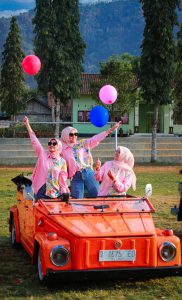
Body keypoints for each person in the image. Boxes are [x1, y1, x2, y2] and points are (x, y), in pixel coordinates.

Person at [60, 121, 121, 198]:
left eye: (76, 134)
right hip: (76, 176)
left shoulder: (82, 143)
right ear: (65, 135)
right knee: (77, 200)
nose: (74, 136)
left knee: (97, 195)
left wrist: (110, 130)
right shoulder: (62, 149)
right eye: (71, 134)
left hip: (88, 172)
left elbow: (95, 139)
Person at [23, 116, 69, 200]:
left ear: (58, 146)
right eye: (49, 143)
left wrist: (64, 191)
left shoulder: (62, 161)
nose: (51, 145)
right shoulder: (42, 154)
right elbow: (34, 140)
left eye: (54, 143)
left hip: (55, 192)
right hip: (41, 189)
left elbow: (62, 179)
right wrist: (27, 124)